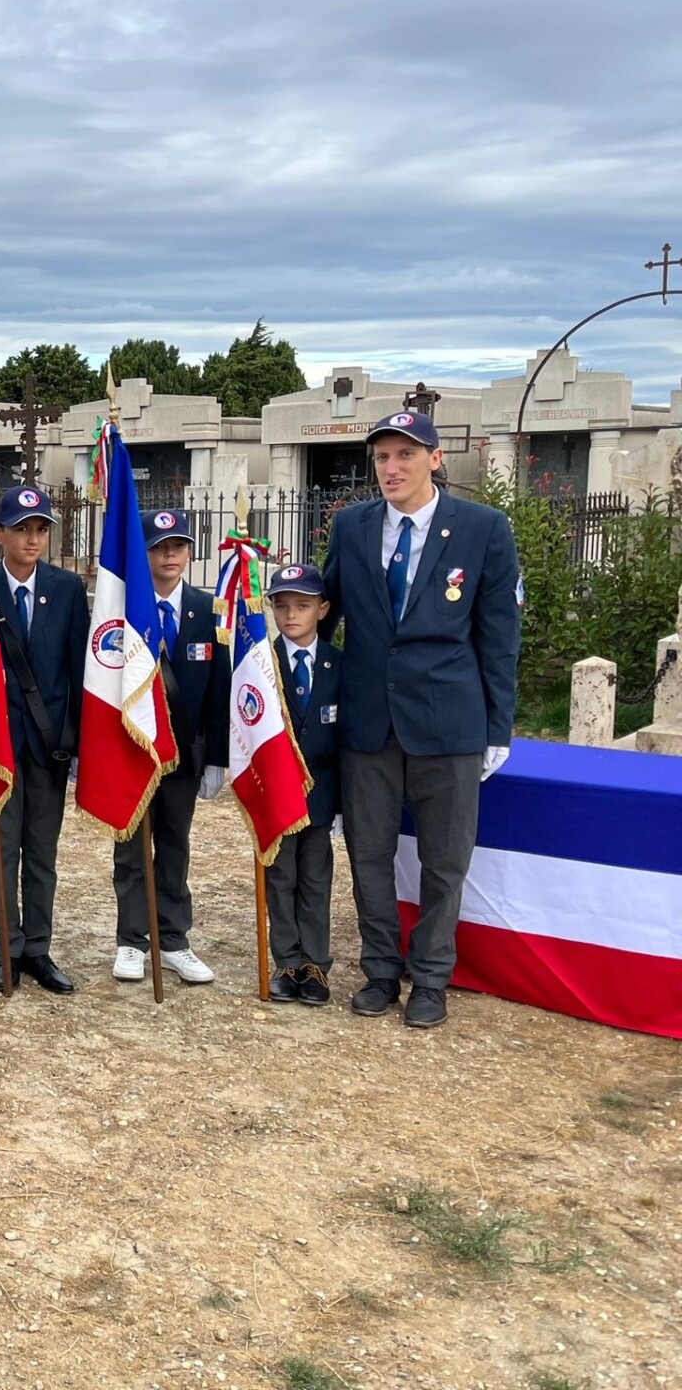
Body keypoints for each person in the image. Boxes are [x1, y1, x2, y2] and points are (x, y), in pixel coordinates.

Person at [321, 409, 520, 1028]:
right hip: (369, 722)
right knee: (370, 852)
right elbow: (325, 616)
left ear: (435, 459)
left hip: (448, 723)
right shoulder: (352, 527)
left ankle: (431, 977)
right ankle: (381, 968)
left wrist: (498, 727)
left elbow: (498, 634)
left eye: (405, 455)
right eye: (382, 457)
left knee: (444, 860)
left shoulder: (482, 528)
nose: (391, 468)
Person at [0, 487, 88, 995]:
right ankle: (8, 948)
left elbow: (79, 667)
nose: (33, 539)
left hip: (49, 746)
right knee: (0, 850)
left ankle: (38, 948)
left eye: (41, 529)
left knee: (42, 851)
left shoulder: (66, 589)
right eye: (21, 529)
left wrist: (77, 742)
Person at [112, 507, 228, 987]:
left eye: (177, 546)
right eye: (159, 548)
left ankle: (174, 938)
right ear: (144, 554)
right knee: (132, 849)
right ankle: (132, 940)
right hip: (133, 750)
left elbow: (220, 688)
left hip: (185, 756)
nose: (169, 556)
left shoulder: (207, 609)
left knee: (175, 844)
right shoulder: (123, 610)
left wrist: (218, 757)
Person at [262, 562, 342, 1007]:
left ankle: (315, 964)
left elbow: (345, 736)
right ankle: (287, 961)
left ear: (323, 609)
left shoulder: (338, 664)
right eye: (282, 605)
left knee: (315, 876)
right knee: (282, 875)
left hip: (322, 792)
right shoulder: (262, 665)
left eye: (303, 605)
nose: (291, 615)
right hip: (279, 790)